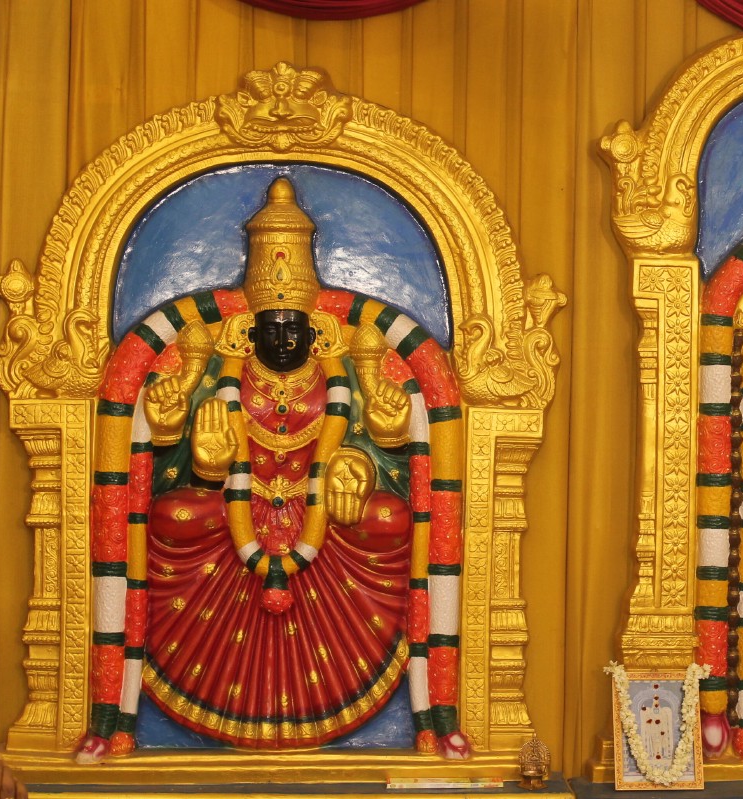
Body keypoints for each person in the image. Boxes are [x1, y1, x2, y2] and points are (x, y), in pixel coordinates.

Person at [77, 178, 469, 759]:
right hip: (231, 518)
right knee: (170, 514)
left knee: (392, 520)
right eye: (270, 327)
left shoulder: (341, 375)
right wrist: (203, 463)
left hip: (323, 522)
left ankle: (437, 714)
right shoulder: (219, 376)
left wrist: (356, 467)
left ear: (316, 333)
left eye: (293, 328)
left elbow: (387, 447)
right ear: (247, 330)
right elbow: (163, 454)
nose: (282, 338)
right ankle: (113, 716)